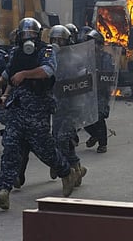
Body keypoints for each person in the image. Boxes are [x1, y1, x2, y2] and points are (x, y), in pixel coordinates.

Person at [0, 17, 77, 210]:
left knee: (44, 149)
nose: (28, 37)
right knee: (10, 146)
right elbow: (9, 73)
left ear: (38, 36)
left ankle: (66, 172)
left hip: (38, 109)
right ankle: (3, 191)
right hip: (18, 108)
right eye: (24, 34)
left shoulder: (46, 51)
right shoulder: (15, 53)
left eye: (31, 34)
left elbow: (48, 71)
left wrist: (25, 74)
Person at [48, 25, 87, 184]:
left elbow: (84, 80)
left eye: (60, 40)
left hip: (73, 105)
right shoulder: (49, 56)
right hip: (57, 106)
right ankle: (76, 167)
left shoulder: (76, 58)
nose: (57, 42)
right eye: (54, 39)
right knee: (57, 139)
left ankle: (72, 168)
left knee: (64, 137)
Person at [84, 29, 114, 154]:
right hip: (86, 90)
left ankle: (103, 144)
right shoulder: (84, 57)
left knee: (99, 117)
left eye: (94, 43)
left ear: (100, 45)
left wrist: (97, 74)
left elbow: (108, 74)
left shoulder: (106, 58)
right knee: (84, 118)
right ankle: (95, 135)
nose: (92, 46)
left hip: (100, 91)